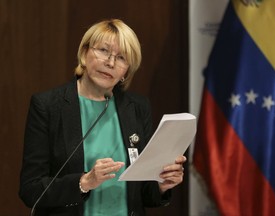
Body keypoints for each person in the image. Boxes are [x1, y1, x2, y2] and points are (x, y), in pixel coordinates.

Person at [19, 18, 186, 216]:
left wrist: (162, 184)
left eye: (122, 58)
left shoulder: (137, 108)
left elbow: (143, 194)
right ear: (84, 53)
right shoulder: (48, 106)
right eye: (103, 51)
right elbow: (30, 190)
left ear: (126, 71)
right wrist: (84, 182)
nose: (110, 62)